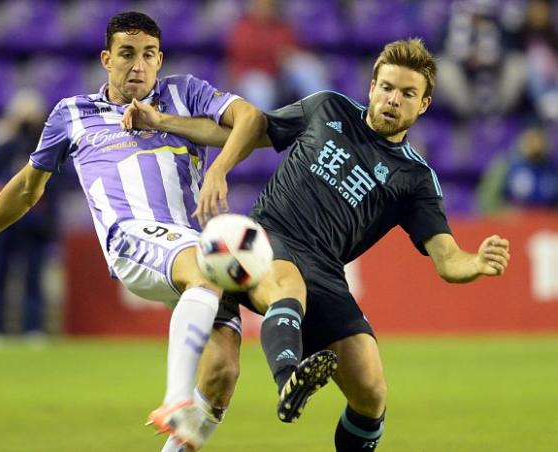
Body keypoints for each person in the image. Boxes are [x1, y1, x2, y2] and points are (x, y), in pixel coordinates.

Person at [123, 38, 511, 451]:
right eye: (386, 87)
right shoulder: (328, 109)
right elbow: (243, 131)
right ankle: (289, 376)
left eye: (407, 93)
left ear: (424, 105)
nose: (393, 100)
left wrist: (476, 263)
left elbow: (447, 260)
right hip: (265, 238)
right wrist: (162, 121)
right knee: (285, 289)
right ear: (372, 87)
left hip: (325, 271)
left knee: (371, 394)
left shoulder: (415, 180)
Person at [0, 11, 269, 450]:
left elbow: (252, 120)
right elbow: (25, 190)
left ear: (160, 58)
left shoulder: (184, 92)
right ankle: (174, 400)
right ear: (106, 59)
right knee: (209, 269)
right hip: (131, 238)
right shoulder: (71, 114)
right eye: (127, 54)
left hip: (186, 245)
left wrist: (218, 169)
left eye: (149, 55)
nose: (139, 65)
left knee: (223, 370)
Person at [0, 90, 57, 348]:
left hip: (34, 222)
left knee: (33, 276)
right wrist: (5, 135)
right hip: (3, 221)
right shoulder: (2, 142)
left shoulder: (43, 143)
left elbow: (57, 176)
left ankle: (33, 327)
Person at [225, 0, 330, 111]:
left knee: (305, 68)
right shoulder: (243, 29)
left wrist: (289, 56)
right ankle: (260, 126)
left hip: (280, 80)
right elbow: (242, 63)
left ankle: (327, 113)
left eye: (270, 5)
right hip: (255, 80)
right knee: (259, 86)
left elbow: (297, 51)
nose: (266, 9)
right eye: (262, 5)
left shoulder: (282, 27)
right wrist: (275, 56)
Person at [477, 124, 557, 214]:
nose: (536, 145)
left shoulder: (552, 170)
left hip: (547, 223)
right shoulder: (507, 165)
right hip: (515, 223)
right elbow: (487, 200)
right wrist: (507, 214)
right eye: (531, 140)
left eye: (539, 140)